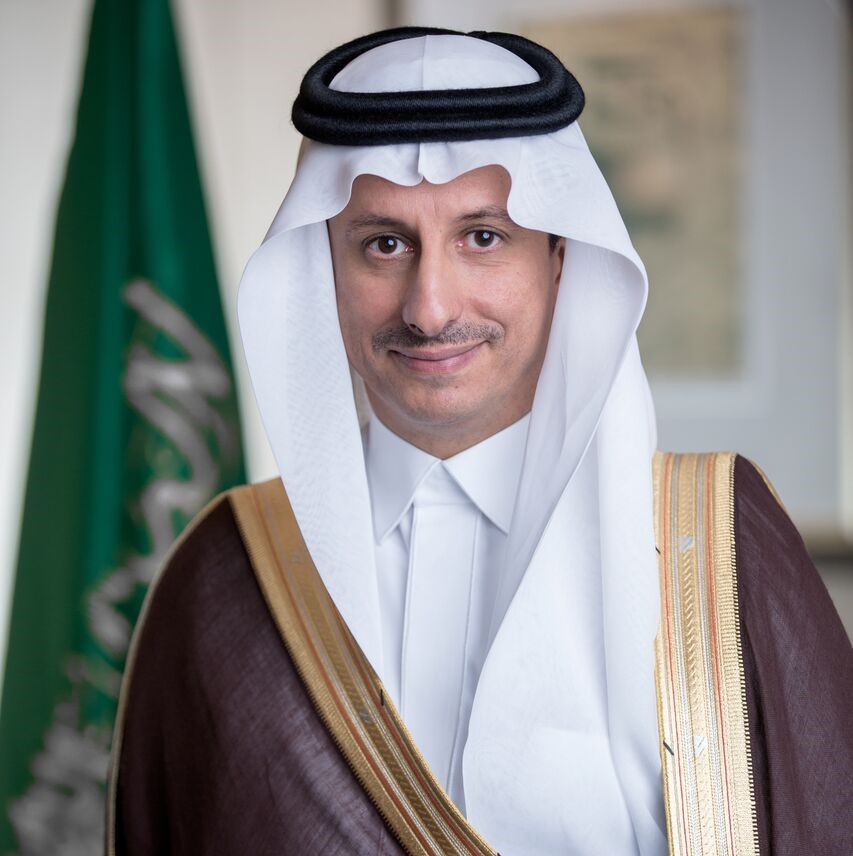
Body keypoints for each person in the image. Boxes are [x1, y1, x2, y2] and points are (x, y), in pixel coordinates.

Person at [106, 27, 853, 856]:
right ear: (323, 270)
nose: (428, 308)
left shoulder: (714, 541)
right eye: (384, 244)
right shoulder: (226, 571)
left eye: (483, 238)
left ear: (561, 259)